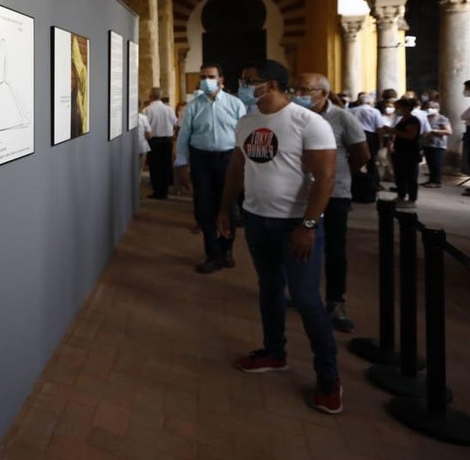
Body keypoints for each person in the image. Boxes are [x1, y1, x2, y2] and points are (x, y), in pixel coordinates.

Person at [217, 60, 342, 414]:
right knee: (269, 288)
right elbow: (238, 167)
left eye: (248, 80)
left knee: (305, 299)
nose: (242, 85)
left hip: (295, 224)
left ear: (271, 85)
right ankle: (274, 352)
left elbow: (325, 178)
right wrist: (226, 208)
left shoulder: (308, 123)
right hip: (258, 219)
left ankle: (328, 376)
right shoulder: (247, 121)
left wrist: (307, 225)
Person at [291, 73, 370, 333]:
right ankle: (302, 293)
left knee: (334, 248)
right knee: (300, 243)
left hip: (334, 195)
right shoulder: (293, 115)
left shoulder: (342, 118)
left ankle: (336, 300)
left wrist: (339, 175)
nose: (299, 93)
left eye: (306, 90)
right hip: (300, 193)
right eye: (297, 88)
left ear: (323, 94)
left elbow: (361, 154)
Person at [174, 63, 246, 273]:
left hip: (228, 159)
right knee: (205, 208)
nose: (206, 80)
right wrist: (182, 164)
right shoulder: (193, 106)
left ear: (221, 79)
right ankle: (212, 254)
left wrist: (245, 165)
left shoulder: (235, 104)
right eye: (203, 76)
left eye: (211, 76)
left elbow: (243, 135)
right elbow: (184, 136)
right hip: (201, 160)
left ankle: (227, 250)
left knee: (229, 206)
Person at [384, 98, 422, 208]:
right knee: (400, 175)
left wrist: (393, 131)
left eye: (398, 107)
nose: (396, 110)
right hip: (400, 151)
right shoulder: (402, 119)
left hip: (410, 152)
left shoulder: (413, 120)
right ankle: (401, 195)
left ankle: (412, 198)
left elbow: (410, 136)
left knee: (410, 176)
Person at [142, 87, 177, 199]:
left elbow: (144, 127)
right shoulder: (169, 109)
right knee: (166, 165)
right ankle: (165, 190)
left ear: (150, 96)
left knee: (155, 166)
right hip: (167, 140)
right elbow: (175, 123)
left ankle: (157, 191)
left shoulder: (147, 110)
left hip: (154, 141)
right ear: (161, 96)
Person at [423, 100, 452, 188]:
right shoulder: (426, 118)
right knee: (430, 163)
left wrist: (434, 131)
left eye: (432, 108)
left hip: (438, 145)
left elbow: (448, 131)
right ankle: (431, 180)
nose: (429, 109)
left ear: (437, 109)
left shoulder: (442, 118)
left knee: (436, 164)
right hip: (428, 144)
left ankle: (436, 181)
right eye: (428, 107)